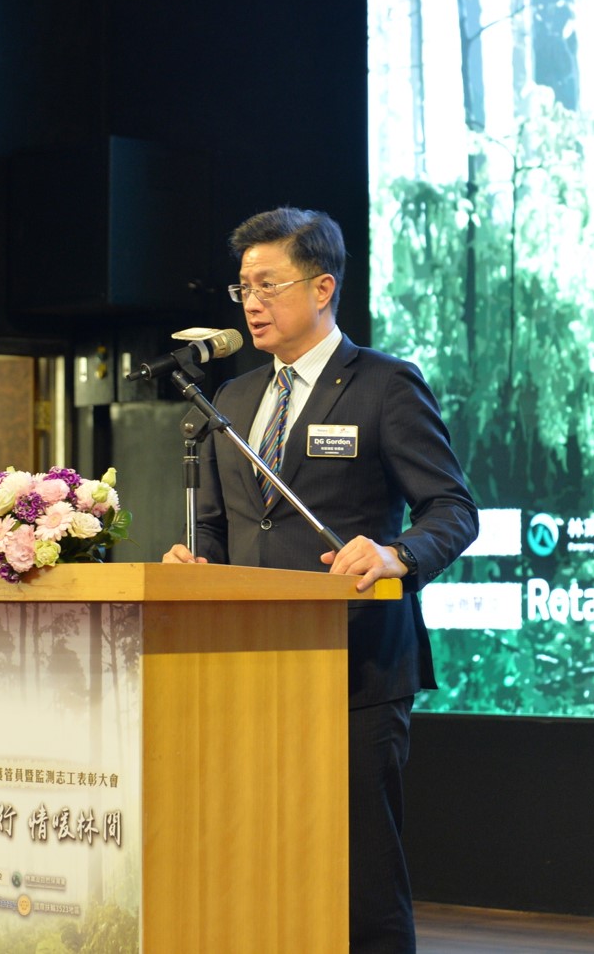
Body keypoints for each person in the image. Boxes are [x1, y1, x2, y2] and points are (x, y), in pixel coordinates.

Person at [164, 206, 479, 954]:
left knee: (360, 872)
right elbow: (217, 528)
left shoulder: (385, 385)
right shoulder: (231, 400)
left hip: (355, 664)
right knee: (255, 856)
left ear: (322, 287)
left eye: (268, 284)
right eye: (243, 287)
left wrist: (396, 556)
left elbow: (452, 509)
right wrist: (194, 566)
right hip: (248, 665)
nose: (252, 302)